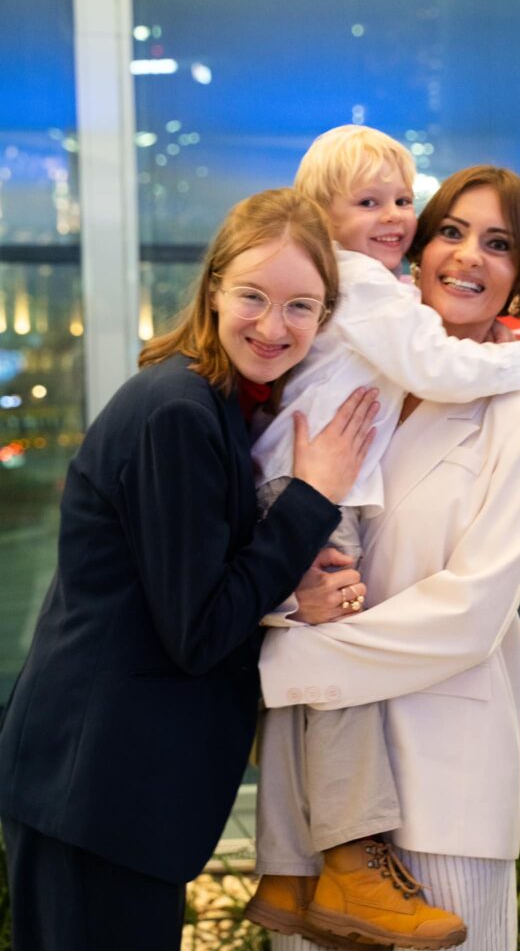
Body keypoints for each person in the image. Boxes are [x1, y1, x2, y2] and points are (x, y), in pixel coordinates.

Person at [0, 187, 380, 951]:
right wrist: (312, 497)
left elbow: (188, 586)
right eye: (253, 296)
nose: (273, 326)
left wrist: (288, 588)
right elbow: (198, 631)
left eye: (300, 306)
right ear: (212, 290)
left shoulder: (213, 402)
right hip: (98, 793)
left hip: (107, 792)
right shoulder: (179, 409)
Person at [246, 129, 520, 948]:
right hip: (311, 820)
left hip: (441, 779)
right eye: (451, 231)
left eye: (498, 244)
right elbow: (279, 544)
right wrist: (287, 599)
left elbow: (468, 614)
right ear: (417, 250)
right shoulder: (351, 378)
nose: (468, 256)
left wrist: (278, 664)